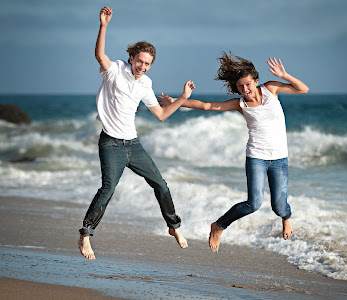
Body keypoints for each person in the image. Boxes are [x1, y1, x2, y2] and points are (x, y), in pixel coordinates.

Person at [159, 52, 309, 252]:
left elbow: (303, 89)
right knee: (254, 203)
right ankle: (219, 226)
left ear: (255, 81)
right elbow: (206, 106)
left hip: (280, 158)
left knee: (279, 207)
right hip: (256, 157)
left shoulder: (271, 88)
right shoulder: (240, 104)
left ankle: (286, 218)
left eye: (248, 84)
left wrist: (285, 75)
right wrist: (177, 101)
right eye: (240, 86)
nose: (245, 89)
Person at [78, 7, 195, 260]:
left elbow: (161, 115)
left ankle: (174, 227)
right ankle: (86, 235)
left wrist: (183, 98)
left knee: (160, 184)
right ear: (131, 57)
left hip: (133, 144)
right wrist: (104, 26)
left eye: (147, 63)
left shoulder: (146, 84)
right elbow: (100, 55)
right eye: (139, 61)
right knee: (107, 189)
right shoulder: (115, 71)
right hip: (111, 144)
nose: (142, 66)